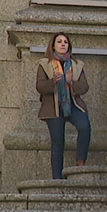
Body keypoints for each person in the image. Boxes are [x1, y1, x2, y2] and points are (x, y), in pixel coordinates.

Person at [36, 32, 91, 180]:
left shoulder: (76, 65)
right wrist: (53, 81)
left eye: (65, 42)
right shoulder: (45, 64)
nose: (62, 44)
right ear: (53, 45)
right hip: (54, 106)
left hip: (72, 104)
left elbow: (85, 87)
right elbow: (40, 87)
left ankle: (80, 163)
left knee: (84, 125)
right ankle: (57, 179)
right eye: (59, 41)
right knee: (58, 143)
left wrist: (70, 82)